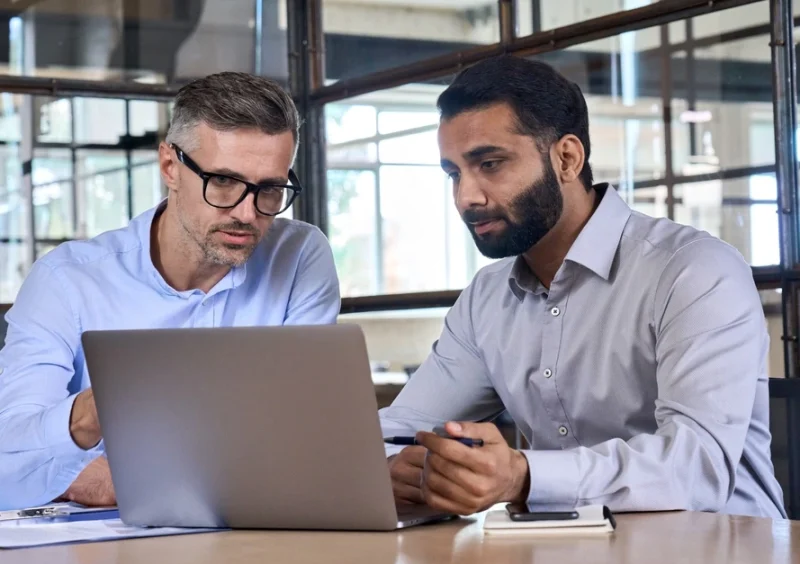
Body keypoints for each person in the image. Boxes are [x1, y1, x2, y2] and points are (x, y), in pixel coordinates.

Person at [381, 55, 786, 519]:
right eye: (453, 174)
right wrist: (394, 467)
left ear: (567, 159)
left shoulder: (693, 271)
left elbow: (697, 469)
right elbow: (399, 427)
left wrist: (523, 476)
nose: (466, 197)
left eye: (489, 164)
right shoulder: (486, 298)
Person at [0, 72, 340, 510]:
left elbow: (303, 434)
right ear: (169, 167)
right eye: (222, 181)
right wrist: (85, 421)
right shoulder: (66, 281)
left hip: (255, 534)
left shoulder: (299, 257)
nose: (247, 213)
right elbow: (7, 448)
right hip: (98, 552)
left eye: (270, 190)